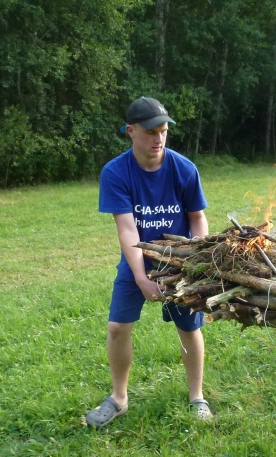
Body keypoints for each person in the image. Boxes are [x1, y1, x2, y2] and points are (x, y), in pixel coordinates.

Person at [87, 96, 211, 428]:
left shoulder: (184, 169)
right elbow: (127, 229)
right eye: (151, 132)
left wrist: (197, 259)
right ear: (131, 131)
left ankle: (197, 397)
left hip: (181, 263)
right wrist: (142, 278)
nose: (158, 139)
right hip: (137, 261)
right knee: (117, 328)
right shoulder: (116, 172)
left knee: (189, 329)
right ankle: (118, 398)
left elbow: (197, 217)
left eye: (163, 131)